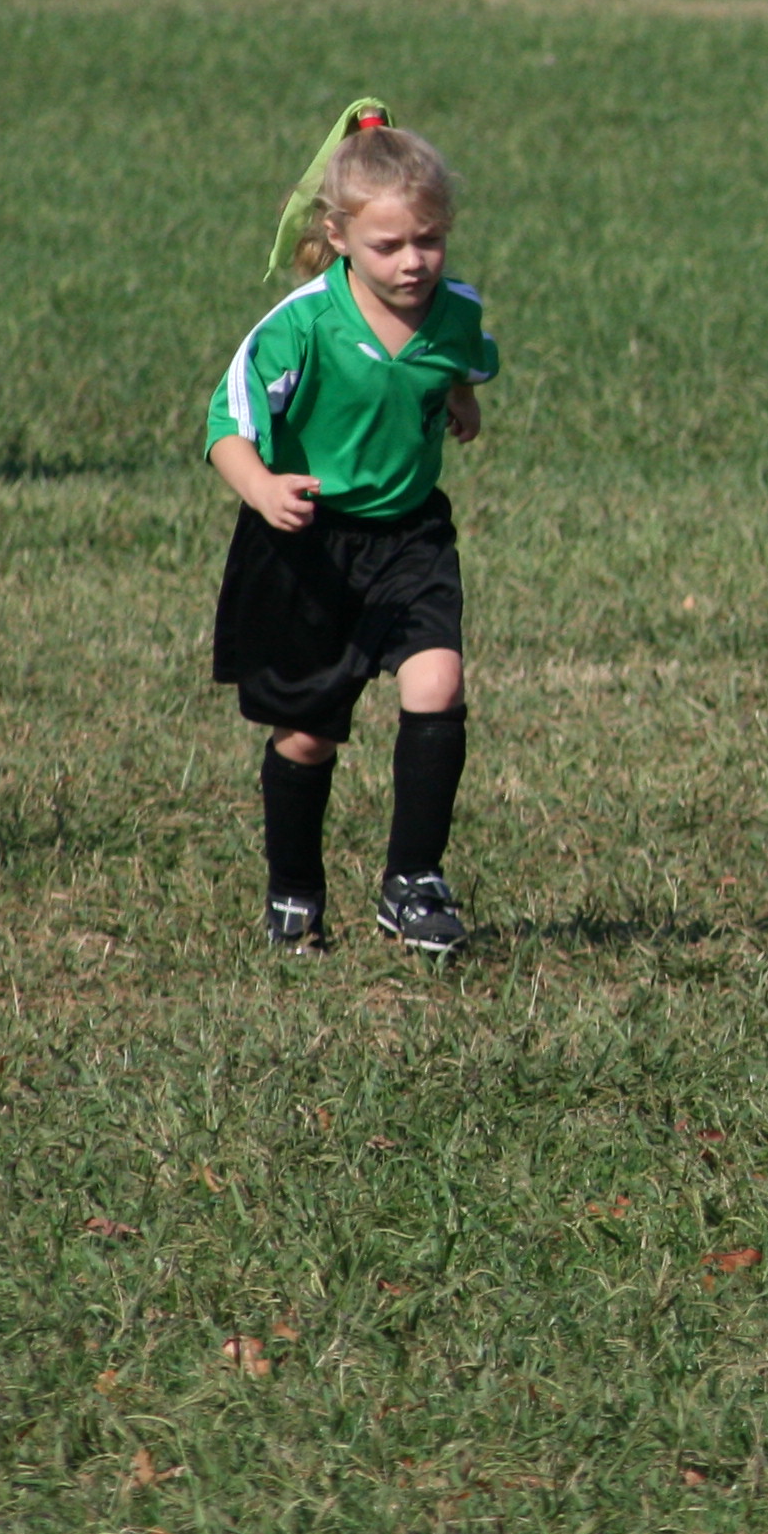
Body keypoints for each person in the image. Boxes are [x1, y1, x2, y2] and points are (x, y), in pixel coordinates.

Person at [206, 106, 496, 958]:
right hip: (308, 548)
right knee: (308, 735)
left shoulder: (454, 310)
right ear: (337, 237)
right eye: (389, 245)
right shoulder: (300, 325)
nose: (413, 262)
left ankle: (414, 881)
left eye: (429, 241)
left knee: (438, 682)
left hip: (410, 536)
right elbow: (227, 425)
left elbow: (463, 360)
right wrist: (261, 487)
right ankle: (295, 892)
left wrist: (458, 398)